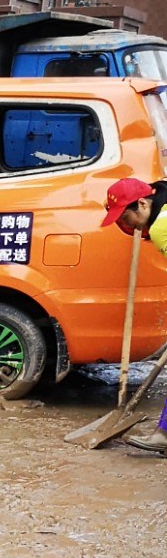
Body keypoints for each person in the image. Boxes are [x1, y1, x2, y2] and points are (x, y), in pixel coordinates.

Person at [104, 175, 167, 454]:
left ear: (142, 204)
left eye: (126, 217)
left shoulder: (162, 226)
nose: (126, 224)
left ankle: (165, 434)